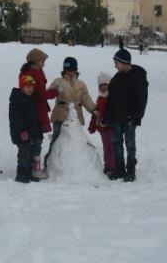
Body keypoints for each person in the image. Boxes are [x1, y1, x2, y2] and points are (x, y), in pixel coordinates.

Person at [103, 49, 149, 182]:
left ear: (124, 62)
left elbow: (142, 99)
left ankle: (131, 170)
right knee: (117, 143)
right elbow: (111, 100)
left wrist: (137, 116)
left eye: (116, 63)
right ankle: (120, 169)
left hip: (130, 119)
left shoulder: (137, 77)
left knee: (130, 144)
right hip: (116, 118)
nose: (115, 66)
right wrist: (107, 116)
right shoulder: (116, 78)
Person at [44, 57, 98, 169]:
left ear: (76, 70)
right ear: (64, 69)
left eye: (72, 69)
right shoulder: (58, 81)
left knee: (75, 141)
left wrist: (93, 109)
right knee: (56, 140)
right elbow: (48, 93)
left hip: (75, 118)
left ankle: (76, 165)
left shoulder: (81, 84)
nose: (70, 72)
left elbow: (86, 99)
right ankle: (49, 164)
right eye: (68, 69)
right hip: (60, 116)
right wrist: (53, 91)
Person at [20, 48, 59, 179]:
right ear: (37, 61)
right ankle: (35, 169)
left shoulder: (26, 72)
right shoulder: (35, 74)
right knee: (36, 140)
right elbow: (43, 94)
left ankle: (27, 168)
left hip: (27, 111)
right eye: (43, 61)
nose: (44, 63)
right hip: (36, 111)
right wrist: (55, 92)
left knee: (30, 141)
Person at [9, 75, 43, 183]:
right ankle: (21, 174)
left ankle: (30, 173)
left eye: (32, 87)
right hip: (21, 133)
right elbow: (15, 117)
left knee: (32, 153)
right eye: (28, 87)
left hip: (30, 133)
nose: (31, 89)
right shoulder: (17, 100)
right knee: (24, 153)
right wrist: (22, 130)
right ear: (22, 87)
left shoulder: (29, 99)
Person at [88, 72, 117, 180]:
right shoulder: (99, 98)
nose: (102, 87)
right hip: (102, 129)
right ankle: (107, 166)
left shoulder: (113, 97)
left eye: (104, 85)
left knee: (113, 147)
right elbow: (96, 113)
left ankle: (114, 167)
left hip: (112, 128)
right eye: (100, 85)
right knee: (106, 148)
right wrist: (92, 126)